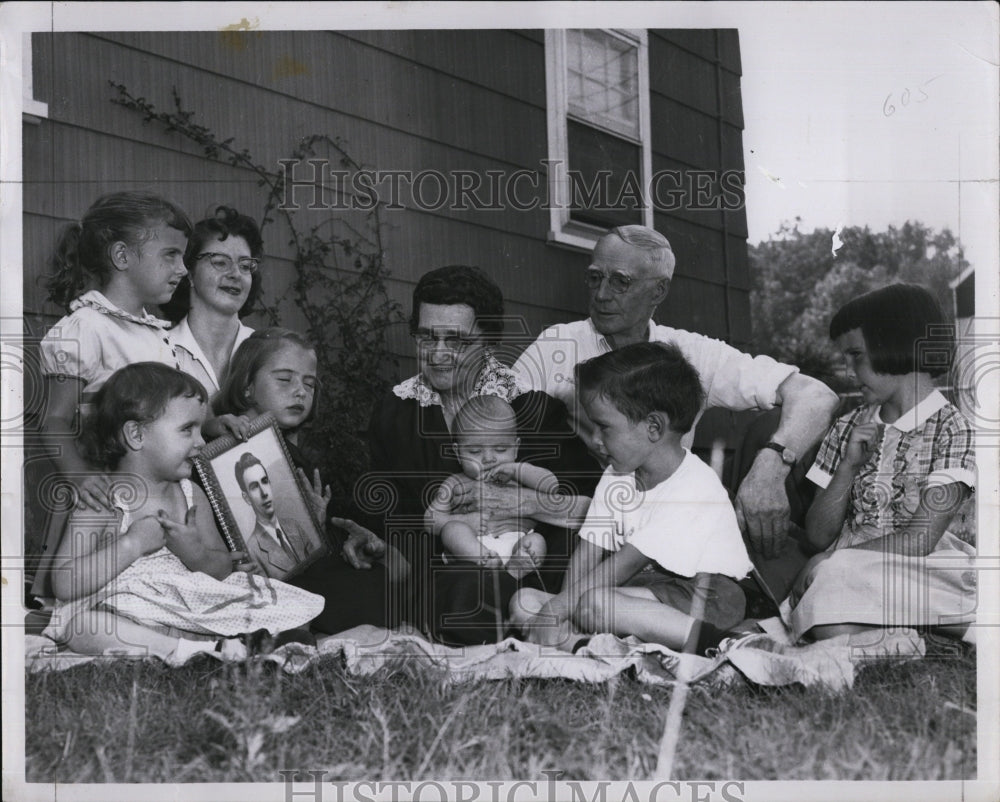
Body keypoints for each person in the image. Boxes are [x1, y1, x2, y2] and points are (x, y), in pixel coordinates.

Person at [512, 225, 840, 564]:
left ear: (658, 291)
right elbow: (490, 412)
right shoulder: (558, 344)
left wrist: (771, 466)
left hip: (665, 510)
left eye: (620, 281)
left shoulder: (690, 352)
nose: (601, 294)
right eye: (595, 278)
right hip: (580, 509)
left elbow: (817, 396)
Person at [362, 265, 594, 645]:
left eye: (455, 341)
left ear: (488, 341)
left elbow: (594, 508)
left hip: (529, 560)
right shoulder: (396, 412)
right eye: (426, 337)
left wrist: (521, 501)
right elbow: (383, 512)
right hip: (444, 568)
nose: (438, 354)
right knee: (453, 585)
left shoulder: (531, 410)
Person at [42, 363, 323, 663]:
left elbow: (221, 568)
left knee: (275, 600)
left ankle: (234, 643)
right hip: (128, 614)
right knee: (85, 627)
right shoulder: (101, 501)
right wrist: (131, 544)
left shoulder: (191, 495)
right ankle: (189, 652)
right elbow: (64, 582)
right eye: (187, 430)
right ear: (136, 434)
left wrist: (195, 553)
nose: (201, 442)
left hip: (191, 611)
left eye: (200, 430)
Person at [513, 343, 754, 652]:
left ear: (653, 427)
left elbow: (624, 565)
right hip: (645, 590)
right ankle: (583, 644)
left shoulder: (693, 486)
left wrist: (558, 609)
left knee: (595, 603)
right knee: (525, 600)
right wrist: (560, 613)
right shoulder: (616, 474)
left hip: (711, 595)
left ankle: (717, 643)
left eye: (604, 427)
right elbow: (586, 554)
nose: (596, 440)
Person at [788, 284, 976, 643]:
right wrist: (847, 468)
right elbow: (817, 535)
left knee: (832, 586)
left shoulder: (953, 429)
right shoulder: (846, 427)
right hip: (849, 570)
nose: (847, 369)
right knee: (831, 622)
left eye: (855, 355)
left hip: (921, 568)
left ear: (898, 344)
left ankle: (933, 625)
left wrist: (831, 560)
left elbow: (921, 538)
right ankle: (911, 636)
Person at [214, 327, 408, 634]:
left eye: (309, 383)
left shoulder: (288, 449)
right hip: (264, 580)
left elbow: (304, 541)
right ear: (247, 386)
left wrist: (317, 526)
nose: (300, 391)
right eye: (284, 379)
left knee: (385, 581)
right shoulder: (225, 447)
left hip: (304, 566)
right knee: (374, 595)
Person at [39, 191, 193, 513]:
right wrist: (79, 475)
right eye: (170, 255)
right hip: (107, 500)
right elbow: (54, 420)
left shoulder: (156, 333)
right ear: (122, 256)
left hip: (157, 495)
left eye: (183, 257)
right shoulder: (88, 327)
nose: (182, 269)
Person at [427, 396, 552, 579]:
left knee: (536, 541)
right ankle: (484, 559)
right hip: (471, 547)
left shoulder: (519, 476)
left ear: (516, 448)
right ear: (458, 452)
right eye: (475, 451)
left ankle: (514, 571)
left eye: (500, 449)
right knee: (453, 530)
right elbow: (430, 520)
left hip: (516, 543)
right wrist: (465, 520)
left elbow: (552, 486)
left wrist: (519, 469)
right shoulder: (455, 483)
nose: (488, 458)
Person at [162, 206, 261, 399]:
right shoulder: (160, 351)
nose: (235, 274)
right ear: (189, 272)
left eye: (245, 266)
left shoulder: (267, 351)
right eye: (220, 262)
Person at [234, 452, 318, 579]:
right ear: (246, 498)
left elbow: (318, 559)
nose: (264, 493)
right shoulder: (252, 550)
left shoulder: (293, 525)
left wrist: (318, 525)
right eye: (254, 487)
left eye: (264, 481)